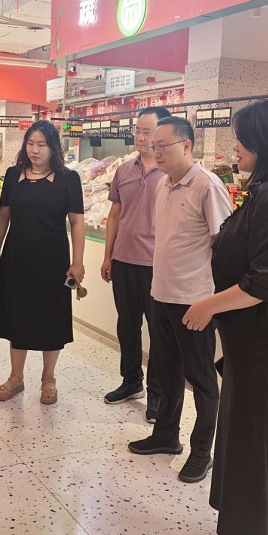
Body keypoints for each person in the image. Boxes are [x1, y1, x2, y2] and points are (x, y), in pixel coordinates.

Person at [182, 99, 268, 535]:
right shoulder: (267, 190)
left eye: (242, 139)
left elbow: (263, 283)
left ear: (265, 141)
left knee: (258, 439)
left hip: (264, 340)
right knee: (246, 434)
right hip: (249, 339)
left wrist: (208, 306)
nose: (235, 147)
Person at [128, 116, 233, 485]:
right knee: (166, 370)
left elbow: (226, 247)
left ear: (187, 146)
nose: (155, 152)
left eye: (163, 146)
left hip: (194, 302)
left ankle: (202, 451)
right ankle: (166, 436)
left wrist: (212, 301)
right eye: (152, 146)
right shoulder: (164, 184)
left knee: (202, 380)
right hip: (162, 294)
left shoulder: (208, 185)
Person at [0, 121, 85, 404]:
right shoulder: (13, 175)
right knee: (17, 315)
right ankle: (16, 377)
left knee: (51, 317)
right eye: (30, 143)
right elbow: (4, 215)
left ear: (53, 147)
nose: (35, 150)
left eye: (41, 144)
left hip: (53, 259)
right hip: (17, 256)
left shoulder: (68, 178)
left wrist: (78, 262)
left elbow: (76, 221)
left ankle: (48, 378)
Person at [101, 106, 171, 423]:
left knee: (158, 331)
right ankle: (131, 381)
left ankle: (157, 391)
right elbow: (115, 213)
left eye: (148, 132)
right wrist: (108, 256)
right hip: (123, 260)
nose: (141, 137)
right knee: (127, 326)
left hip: (157, 265)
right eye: (138, 131)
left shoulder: (171, 172)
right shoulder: (124, 170)